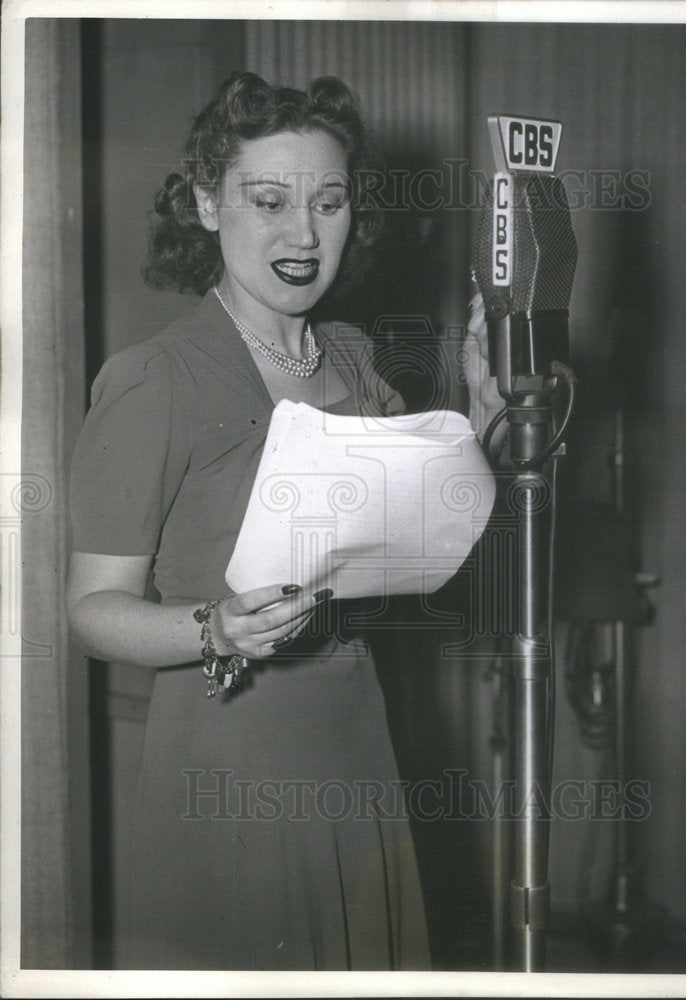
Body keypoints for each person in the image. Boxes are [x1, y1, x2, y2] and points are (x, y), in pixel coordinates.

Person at [68, 71, 496, 972]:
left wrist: (483, 423)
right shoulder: (155, 379)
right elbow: (92, 612)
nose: (302, 233)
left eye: (329, 202)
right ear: (205, 202)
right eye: (268, 200)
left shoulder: (354, 355)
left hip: (360, 741)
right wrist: (214, 626)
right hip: (231, 764)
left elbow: (418, 525)